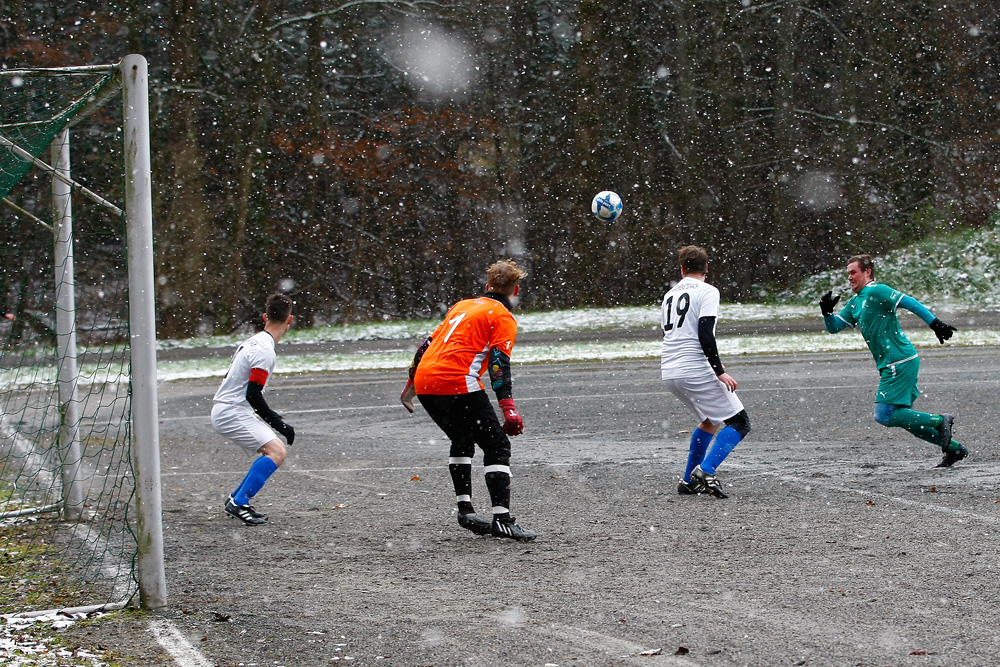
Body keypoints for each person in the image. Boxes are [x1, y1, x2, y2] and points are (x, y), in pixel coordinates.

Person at [400, 260, 536, 541]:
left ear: (487, 286)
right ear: (516, 290)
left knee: (462, 438)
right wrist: (508, 409)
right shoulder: (502, 317)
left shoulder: (462, 306)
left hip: (426, 380)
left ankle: (466, 510)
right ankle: (502, 519)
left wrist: (411, 383)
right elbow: (499, 364)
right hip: (455, 382)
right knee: (497, 445)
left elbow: (427, 344)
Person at [820, 254, 967, 467]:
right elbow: (834, 327)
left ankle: (940, 419)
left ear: (867, 272)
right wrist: (827, 312)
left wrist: (935, 323)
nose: (850, 277)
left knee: (884, 415)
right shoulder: (855, 302)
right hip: (892, 363)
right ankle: (955, 449)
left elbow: (909, 302)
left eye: (854, 272)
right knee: (906, 420)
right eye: (848, 273)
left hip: (899, 360)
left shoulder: (877, 290)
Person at [660, 246, 751, 499]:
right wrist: (719, 370)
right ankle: (706, 471)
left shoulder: (669, 295)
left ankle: (689, 481)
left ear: (682, 269)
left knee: (710, 421)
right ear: (706, 268)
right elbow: (705, 333)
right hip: (693, 368)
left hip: (669, 370)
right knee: (740, 422)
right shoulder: (708, 291)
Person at [212, 293, 296, 525]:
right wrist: (279, 423)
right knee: (276, 452)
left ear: (265, 316)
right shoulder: (264, 350)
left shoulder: (256, 341)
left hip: (230, 409)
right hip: (232, 412)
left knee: (275, 450)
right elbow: (253, 394)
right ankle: (240, 503)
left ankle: (236, 499)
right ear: (290, 320)